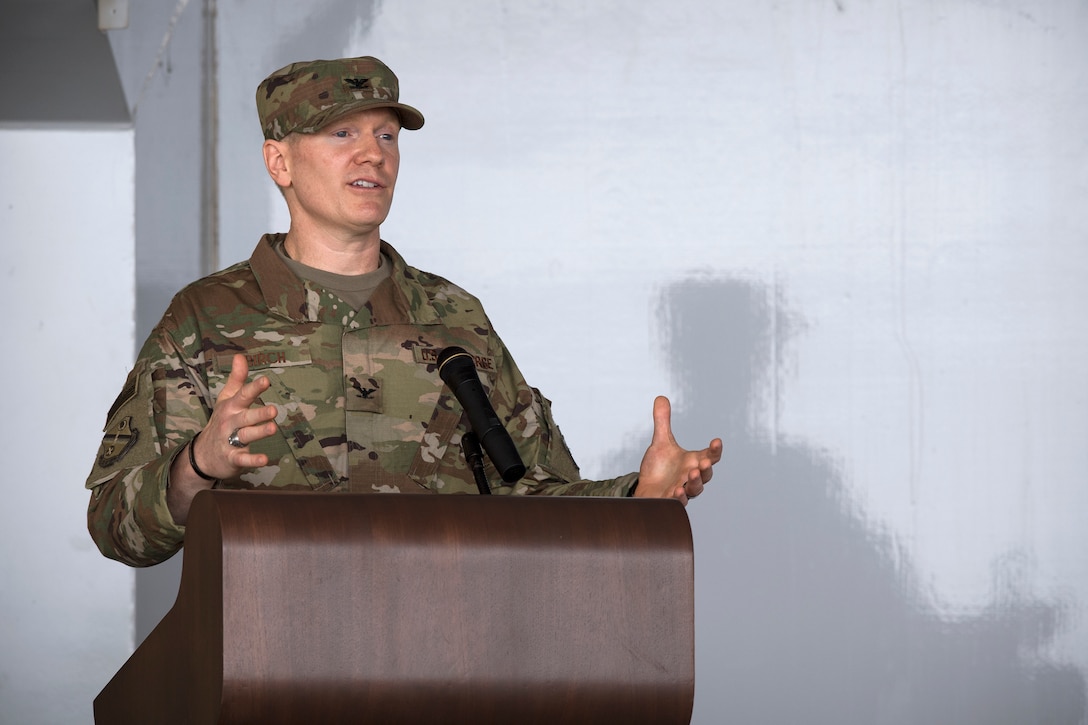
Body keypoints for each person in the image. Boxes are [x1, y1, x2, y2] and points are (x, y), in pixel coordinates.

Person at [86, 56, 723, 567]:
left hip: (449, 653)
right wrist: (197, 465)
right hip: (268, 655)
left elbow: (532, 494)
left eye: (385, 136)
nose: (373, 154)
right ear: (279, 161)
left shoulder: (454, 316)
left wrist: (638, 496)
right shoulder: (208, 317)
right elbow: (117, 527)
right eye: (342, 133)